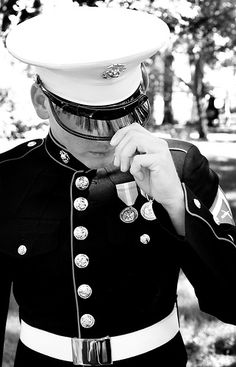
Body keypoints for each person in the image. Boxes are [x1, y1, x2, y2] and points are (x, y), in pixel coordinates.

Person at [1, 5, 236, 367]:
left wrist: (177, 204)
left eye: (119, 115)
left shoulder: (178, 165)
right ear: (41, 103)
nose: (107, 137)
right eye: (85, 118)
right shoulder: (9, 177)